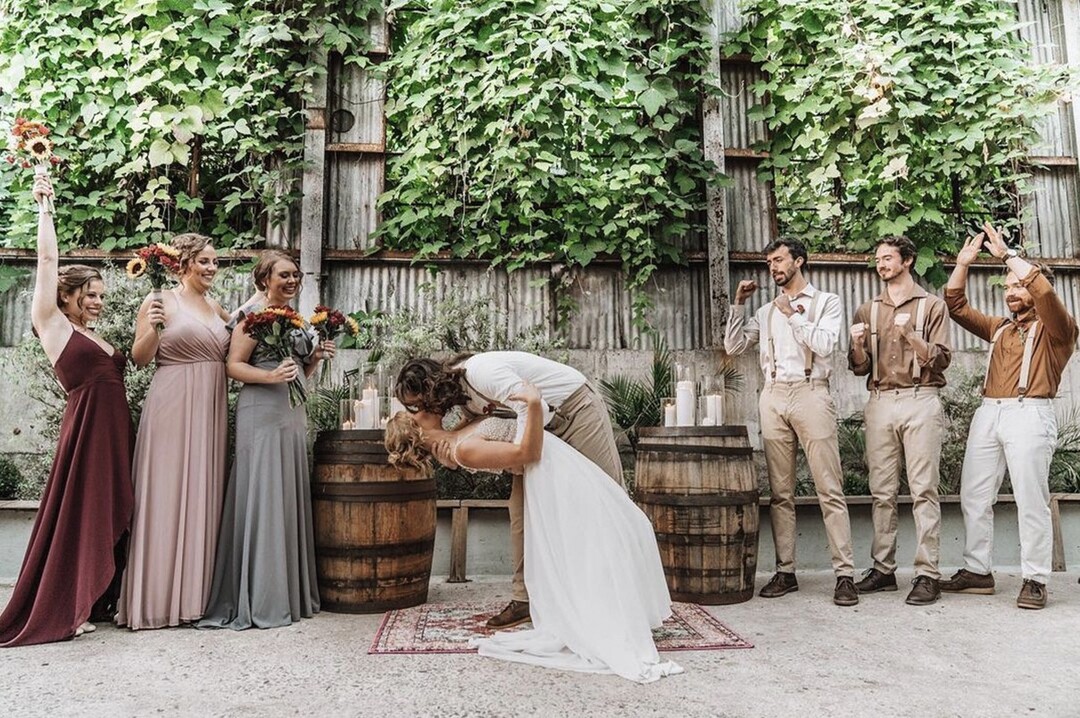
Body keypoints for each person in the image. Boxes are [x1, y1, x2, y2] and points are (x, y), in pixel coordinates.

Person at [384, 383, 681, 683]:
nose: (421, 408)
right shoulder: (464, 450)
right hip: (550, 469)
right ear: (419, 431)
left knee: (620, 525)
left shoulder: (456, 436)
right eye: (415, 413)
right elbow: (525, 453)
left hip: (558, 460)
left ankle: (617, 611)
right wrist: (533, 404)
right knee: (602, 532)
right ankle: (605, 617)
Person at [395, 351, 623, 628]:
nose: (417, 412)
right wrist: (451, 451)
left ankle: (622, 593)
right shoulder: (458, 396)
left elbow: (530, 405)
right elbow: (474, 429)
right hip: (540, 429)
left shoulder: (482, 372)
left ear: (431, 388)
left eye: (417, 404)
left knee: (609, 500)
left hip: (575, 411)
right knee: (520, 510)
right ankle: (524, 599)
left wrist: (522, 456)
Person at [0, 175, 133, 646]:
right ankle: (68, 606)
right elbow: (47, 261)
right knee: (83, 512)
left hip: (115, 431)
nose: (97, 303)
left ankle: (95, 599)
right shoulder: (52, 323)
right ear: (66, 295)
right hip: (88, 432)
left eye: (101, 296)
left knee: (106, 511)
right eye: (90, 295)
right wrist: (44, 207)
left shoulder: (93, 334)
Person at [940, 223, 1077, 609]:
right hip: (989, 413)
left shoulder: (1059, 330)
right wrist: (963, 263)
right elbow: (956, 306)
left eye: (1018, 285)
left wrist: (1007, 255)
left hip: (1029, 414)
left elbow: (1045, 292)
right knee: (974, 495)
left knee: (1030, 499)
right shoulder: (999, 328)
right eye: (1007, 287)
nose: (1010, 292)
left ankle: (1035, 578)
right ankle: (978, 570)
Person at [197, 250, 333, 629]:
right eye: (284, 275)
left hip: (291, 412)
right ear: (264, 280)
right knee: (264, 491)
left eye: (295, 275)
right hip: (261, 411)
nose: (292, 281)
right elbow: (233, 366)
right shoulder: (251, 317)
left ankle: (287, 592)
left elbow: (300, 371)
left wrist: (316, 357)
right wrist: (271, 377)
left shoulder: (297, 319)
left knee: (285, 493)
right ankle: (259, 594)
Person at [723, 238, 858, 606]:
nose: (773, 267)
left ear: (798, 261)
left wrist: (792, 314)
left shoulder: (826, 302)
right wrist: (738, 304)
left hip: (811, 391)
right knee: (781, 493)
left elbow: (825, 345)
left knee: (829, 487)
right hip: (773, 395)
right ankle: (786, 572)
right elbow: (733, 347)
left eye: (779, 260)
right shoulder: (765, 310)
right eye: (769, 262)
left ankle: (845, 575)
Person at [116, 234, 233, 629]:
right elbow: (139, 358)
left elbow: (240, 335)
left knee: (203, 493)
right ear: (183, 263)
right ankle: (157, 600)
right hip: (172, 404)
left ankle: (195, 599)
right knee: (166, 495)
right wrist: (154, 329)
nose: (212, 268)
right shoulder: (160, 301)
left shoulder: (216, 307)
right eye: (204, 261)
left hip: (211, 409)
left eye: (215, 262)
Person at [848, 236, 951, 605]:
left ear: (907, 260)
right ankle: (883, 569)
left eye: (888, 258)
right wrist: (857, 345)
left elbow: (940, 360)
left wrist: (910, 335)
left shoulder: (932, 305)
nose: (881, 264)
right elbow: (859, 367)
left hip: (920, 398)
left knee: (924, 490)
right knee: (882, 492)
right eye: (878, 258)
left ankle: (927, 574)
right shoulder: (867, 309)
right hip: (879, 401)